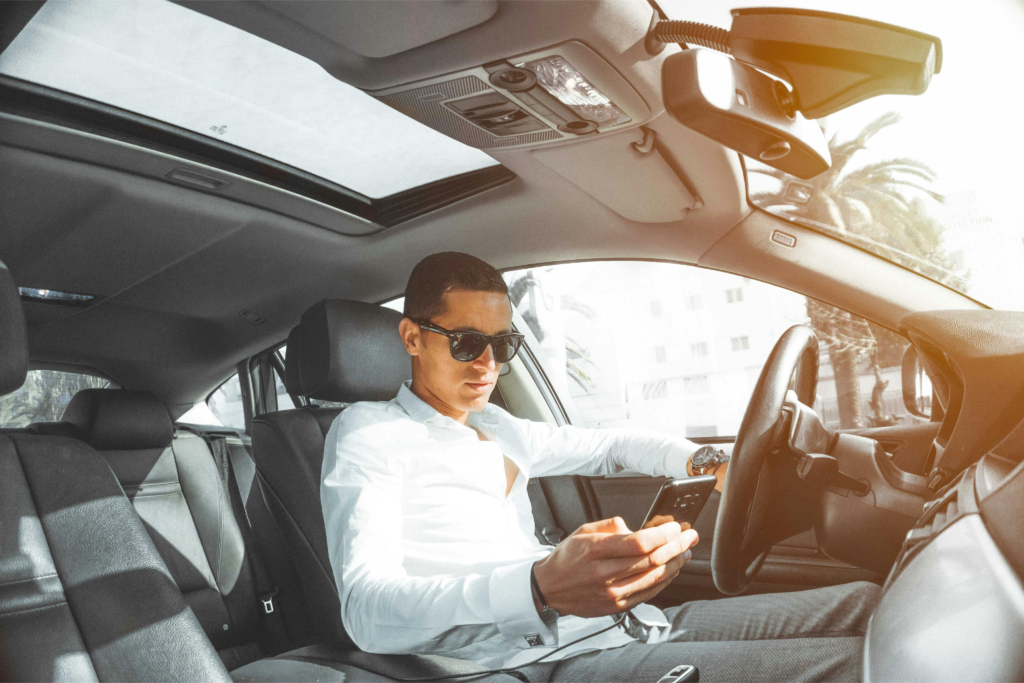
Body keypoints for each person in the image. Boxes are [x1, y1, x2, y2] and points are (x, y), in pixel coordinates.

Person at [321, 252, 879, 682]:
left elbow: (610, 445)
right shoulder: (368, 432)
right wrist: (540, 589)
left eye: (503, 343)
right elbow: (367, 612)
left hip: (626, 626)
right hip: (538, 664)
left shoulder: (500, 426)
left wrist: (706, 461)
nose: (490, 365)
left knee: (866, 605)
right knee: (859, 666)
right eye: (468, 343)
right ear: (412, 338)